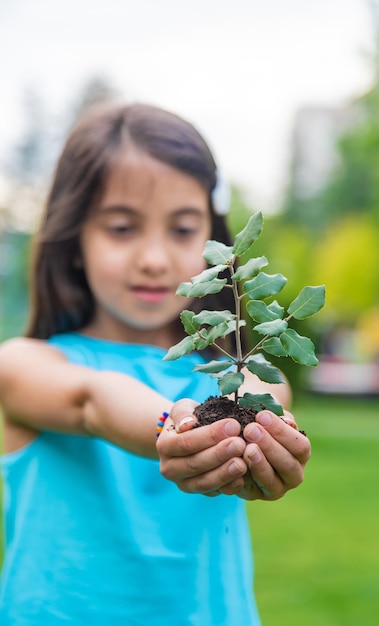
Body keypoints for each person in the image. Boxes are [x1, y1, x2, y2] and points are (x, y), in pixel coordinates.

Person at [0, 102, 311, 625]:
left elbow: (271, 398)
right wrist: (180, 428)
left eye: (183, 230)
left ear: (214, 247)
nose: (154, 258)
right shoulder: (25, 364)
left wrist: (264, 434)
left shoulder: (233, 375)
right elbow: (92, 400)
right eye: (122, 228)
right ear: (74, 237)